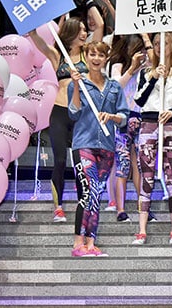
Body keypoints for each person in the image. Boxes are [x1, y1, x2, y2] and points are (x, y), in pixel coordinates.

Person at [28, 14, 102, 223]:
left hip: (82, 115)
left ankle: (84, 205)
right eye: (79, 30)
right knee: (60, 160)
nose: (84, 33)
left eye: (84, 30)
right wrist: (32, 30)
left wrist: (89, 1)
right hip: (60, 113)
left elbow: (100, 26)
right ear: (70, 33)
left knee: (82, 163)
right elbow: (38, 40)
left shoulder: (89, 56)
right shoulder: (57, 56)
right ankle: (58, 207)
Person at [68, 41, 129, 257]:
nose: (96, 58)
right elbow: (73, 113)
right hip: (83, 144)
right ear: (86, 55)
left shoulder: (114, 87)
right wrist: (75, 85)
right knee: (87, 191)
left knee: (97, 194)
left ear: (106, 58)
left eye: (100, 55)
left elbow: (124, 117)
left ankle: (91, 243)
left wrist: (112, 117)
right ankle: (78, 243)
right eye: (92, 54)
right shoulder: (79, 83)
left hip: (107, 146)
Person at [131, 32, 172, 245]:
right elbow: (138, 100)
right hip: (148, 124)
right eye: (156, 43)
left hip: (171, 126)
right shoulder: (146, 73)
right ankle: (142, 230)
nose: (159, 47)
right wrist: (153, 77)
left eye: (164, 43)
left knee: (170, 175)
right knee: (146, 176)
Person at [106, 34, 150, 222]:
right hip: (122, 118)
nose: (141, 53)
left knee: (139, 165)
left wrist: (147, 40)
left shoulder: (147, 66)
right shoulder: (117, 65)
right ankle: (120, 209)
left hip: (141, 117)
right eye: (137, 48)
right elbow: (116, 87)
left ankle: (144, 208)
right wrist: (132, 68)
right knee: (123, 165)